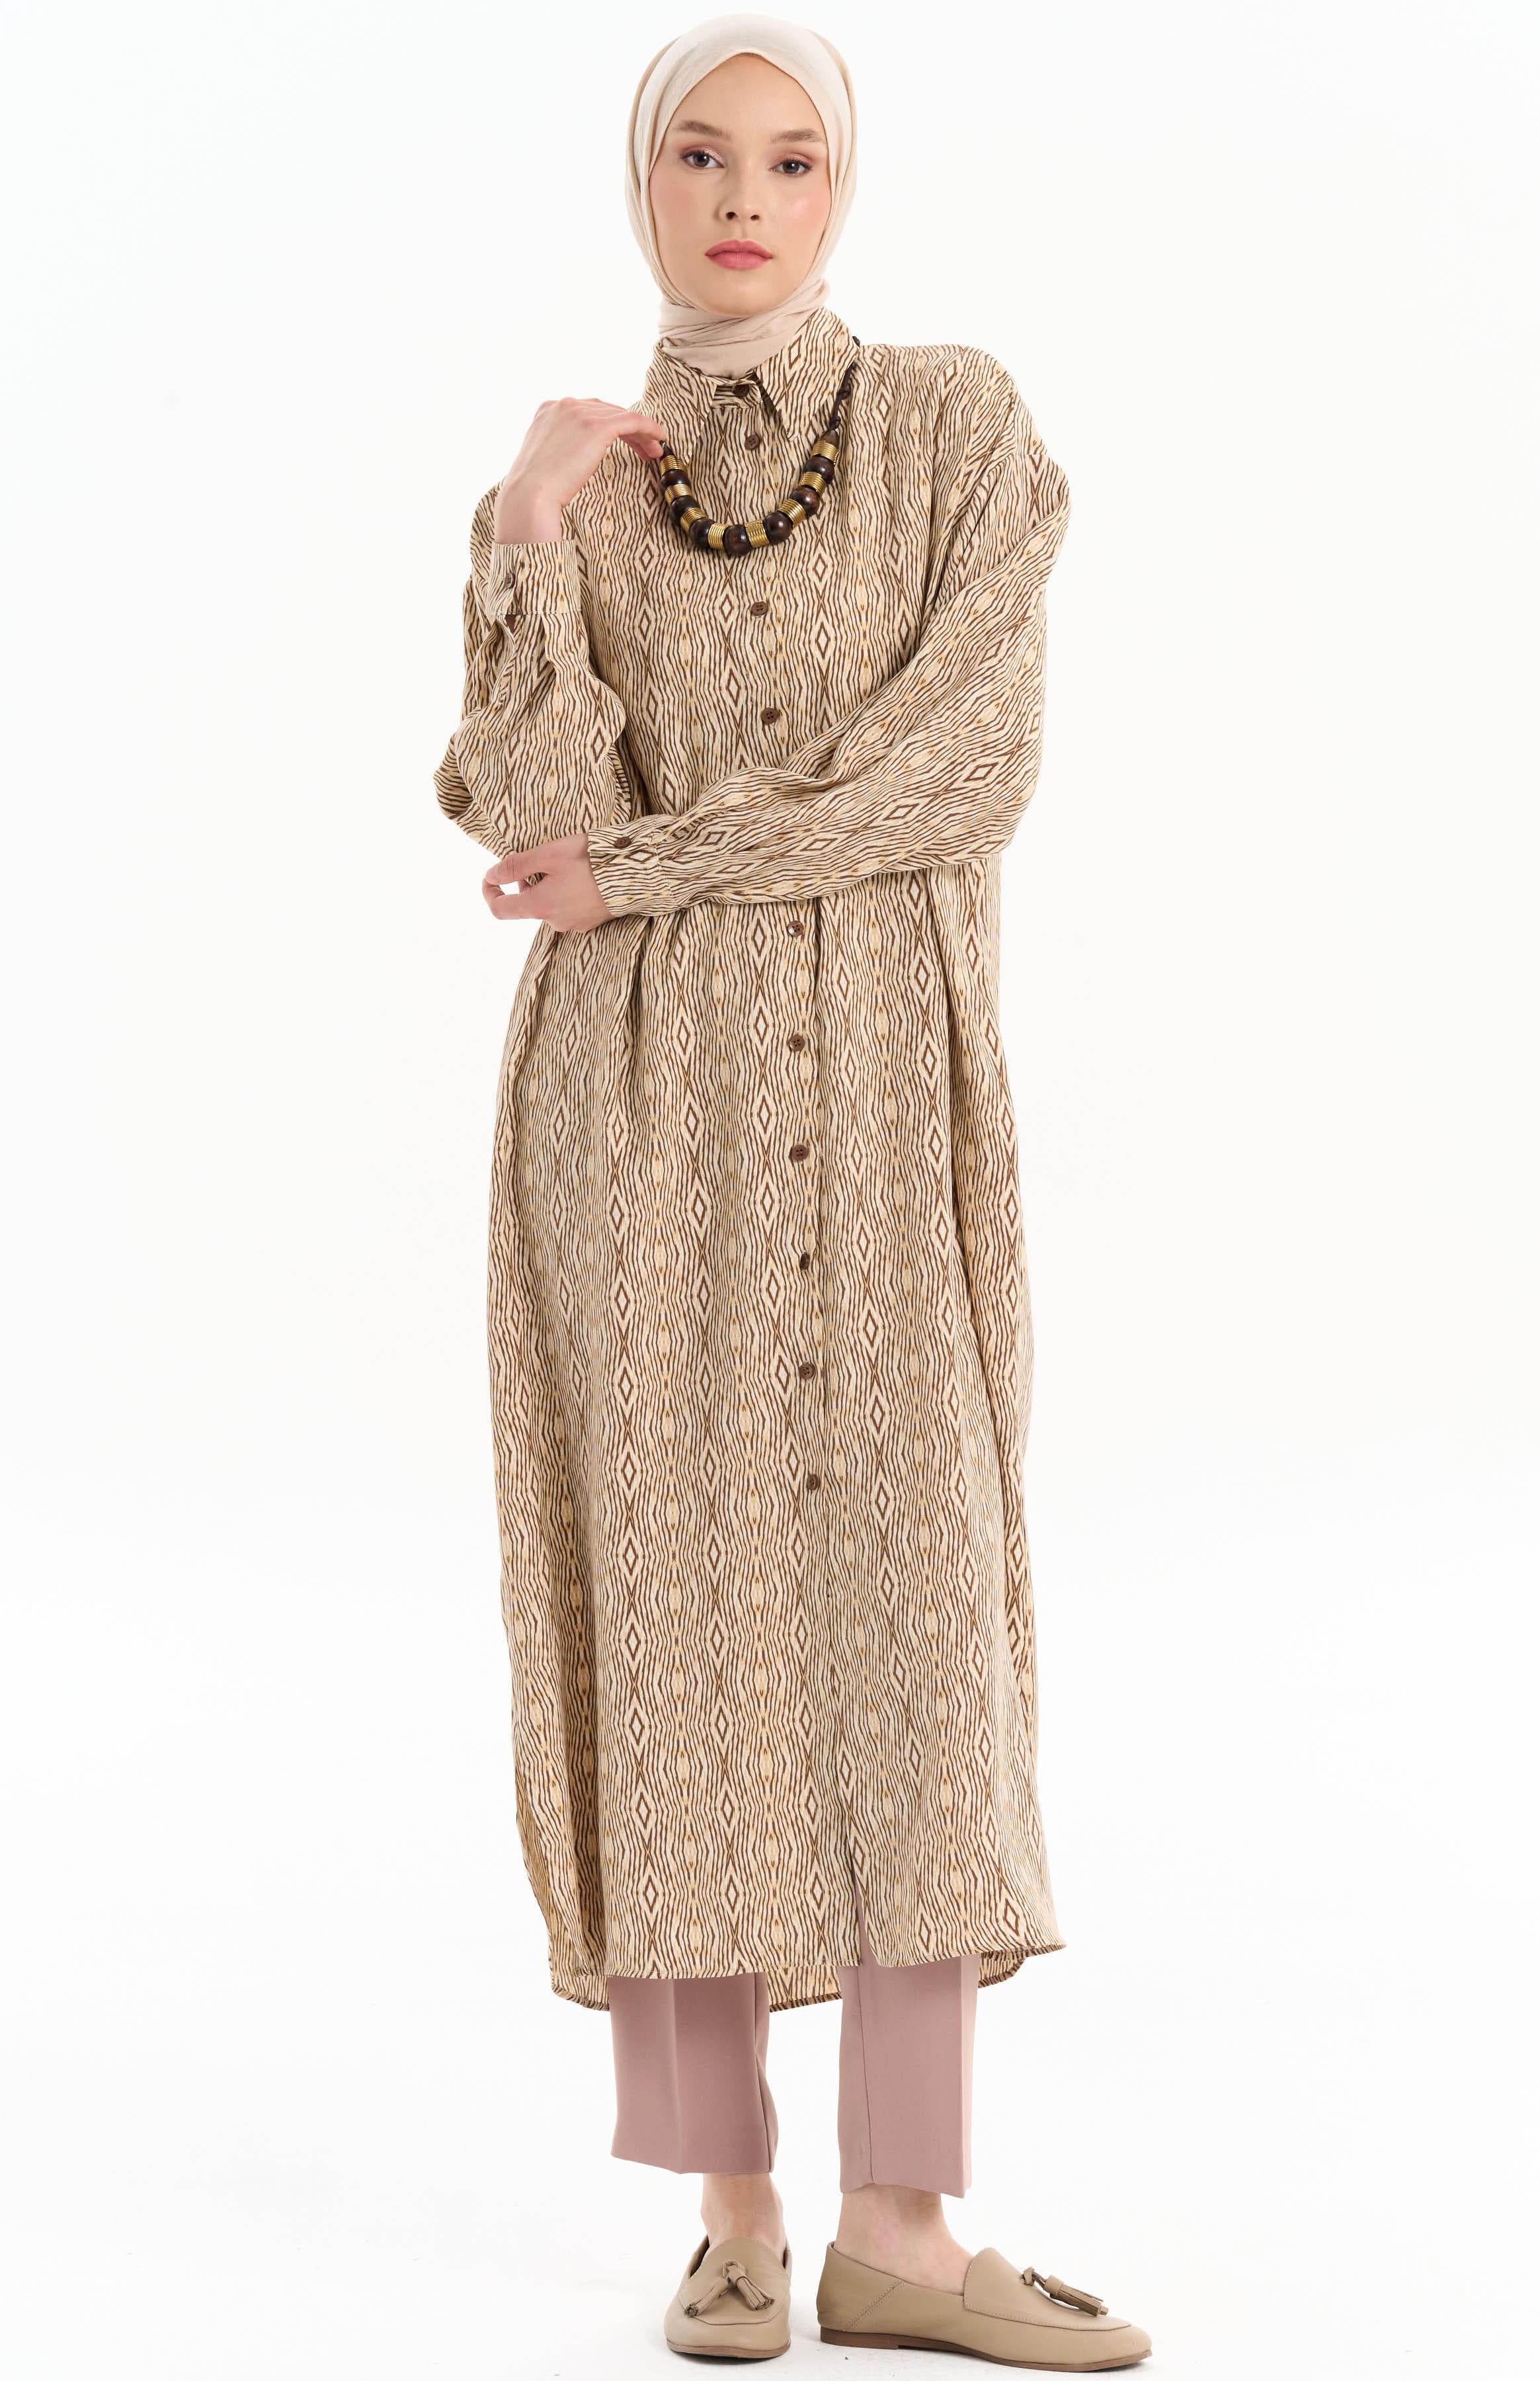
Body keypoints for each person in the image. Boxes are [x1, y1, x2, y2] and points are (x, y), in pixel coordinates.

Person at [433, 12, 1150, 2366]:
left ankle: (904, 2232)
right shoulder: (577, 488)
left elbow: (963, 771)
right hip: (634, 1136)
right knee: (678, 1633)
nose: (743, 200)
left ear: (846, 186)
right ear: (639, 182)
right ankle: (736, 2215)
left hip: (891, 1100)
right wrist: (528, 539)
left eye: (793, 158)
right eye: (699, 155)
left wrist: (652, 867)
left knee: (920, 1640)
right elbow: (520, 811)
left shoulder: (953, 427)